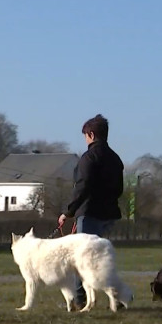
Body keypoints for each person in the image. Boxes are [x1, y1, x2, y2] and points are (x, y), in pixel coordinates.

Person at [58, 114, 124, 307]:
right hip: (109, 214)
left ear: (92, 134)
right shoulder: (115, 158)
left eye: (85, 135)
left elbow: (82, 186)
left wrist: (69, 211)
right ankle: (117, 295)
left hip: (89, 213)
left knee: (82, 258)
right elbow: (119, 189)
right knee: (102, 259)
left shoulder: (89, 157)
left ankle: (79, 298)